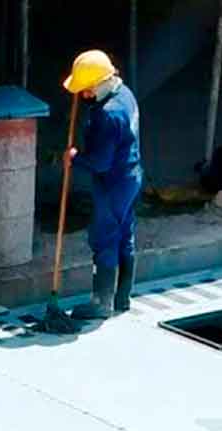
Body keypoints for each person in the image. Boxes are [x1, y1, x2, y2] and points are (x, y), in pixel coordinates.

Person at [62, 49, 143, 320]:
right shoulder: (125, 94)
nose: (84, 95)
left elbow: (100, 162)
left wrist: (75, 158)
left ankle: (101, 303)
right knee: (124, 235)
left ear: (98, 84)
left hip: (113, 184)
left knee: (105, 238)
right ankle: (122, 297)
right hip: (131, 176)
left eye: (86, 89)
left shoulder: (108, 114)